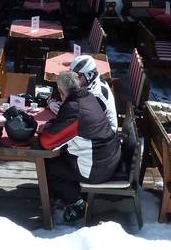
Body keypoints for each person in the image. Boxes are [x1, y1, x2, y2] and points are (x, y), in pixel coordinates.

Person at [39, 70, 121, 223]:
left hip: (97, 170)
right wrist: (52, 125)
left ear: (60, 91)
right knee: (61, 156)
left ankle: (77, 203)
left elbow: (48, 142)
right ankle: (69, 194)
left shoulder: (74, 108)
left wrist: (45, 129)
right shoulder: (88, 97)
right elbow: (65, 126)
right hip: (108, 158)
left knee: (49, 166)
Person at [70, 54, 118, 132]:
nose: (73, 80)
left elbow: (74, 116)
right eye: (71, 75)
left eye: (77, 76)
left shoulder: (96, 95)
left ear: (89, 75)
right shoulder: (97, 81)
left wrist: (53, 104)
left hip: (106, 134)